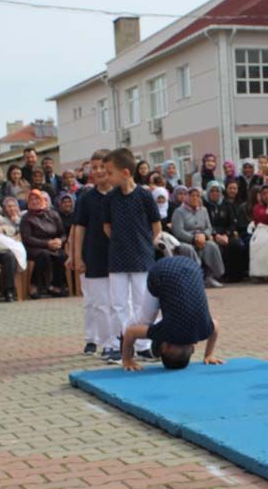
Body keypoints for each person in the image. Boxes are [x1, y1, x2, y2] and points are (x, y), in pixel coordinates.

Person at [102, 148, 161, 361]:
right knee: (118, 303)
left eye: (110, 172)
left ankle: (144, 344)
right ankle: (122, 343)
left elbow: (157, 227)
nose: (106, 177)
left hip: (142, 258)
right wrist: (120, 243)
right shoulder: (110, 198)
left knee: (142, 302)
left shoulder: (145, 196)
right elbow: (107, 227)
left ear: (125, 173)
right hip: (117, 258)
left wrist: (147, 244)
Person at [118, 255, 223, 371]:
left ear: (193, 348)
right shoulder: (166, 333)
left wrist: (208, 354)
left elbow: (216, 326)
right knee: (145, 321)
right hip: (163, 271)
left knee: (149, 320)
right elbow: (131, 332)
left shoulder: (202, 330)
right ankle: (121, 332)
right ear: (164, 348)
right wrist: (126, 360)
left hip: (191, 265)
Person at [73, 149, 119, 358]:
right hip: (94, 256)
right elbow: (78, 228)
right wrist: (76, 256)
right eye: (94, 167)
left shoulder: (121, 194)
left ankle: (126, 341)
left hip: (119, 256)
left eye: (102, 166)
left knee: (119, 303)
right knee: (99, 304)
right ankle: (107, 343)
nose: (99, 171)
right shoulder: (86, 198)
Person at [172, 187, 225, 288]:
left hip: (202, 239)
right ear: (187, 197)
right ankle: (194, 278)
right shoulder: (178, 212)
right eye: (192, 196)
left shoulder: (203, 210)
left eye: (197, 196)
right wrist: (194, 239)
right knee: (187, 249)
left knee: (211, 246)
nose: (195, 198)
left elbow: (209, 227)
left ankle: (210, 277)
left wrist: (204, 236)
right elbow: (178, 231)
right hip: (185, 240)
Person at [20, 189, 68, 298]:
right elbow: (27, 238)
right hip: (34, 247)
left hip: (52, 246)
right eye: (31, 199)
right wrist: (47, 243)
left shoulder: (52, 214)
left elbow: (63, 234)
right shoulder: (26, 218)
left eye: (37, 198)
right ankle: (35, 285)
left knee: (62, 255)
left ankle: (56, 286)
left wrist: (60, 240)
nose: (34, 201)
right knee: (44, 255)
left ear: (42, 200)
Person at [205, 182, 245, 282]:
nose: (215, 193)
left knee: (237, 244)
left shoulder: (226, 204)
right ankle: (220, 275)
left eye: (217, 191)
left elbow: (233, 223)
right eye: (212, 191)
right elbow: (205, 224)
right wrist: (216, 235)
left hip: (226, 234)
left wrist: (226, 235)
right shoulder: (204, 206)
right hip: (210, 234)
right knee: (216, 247)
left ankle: (235, 276)